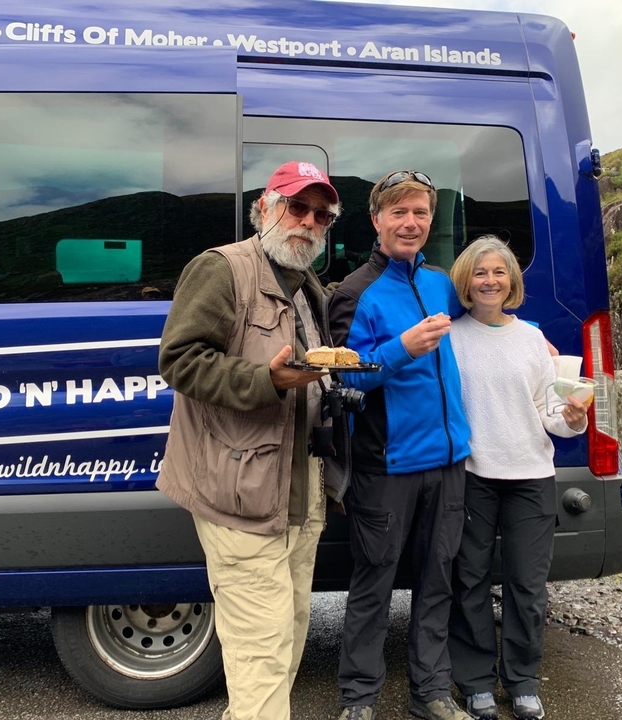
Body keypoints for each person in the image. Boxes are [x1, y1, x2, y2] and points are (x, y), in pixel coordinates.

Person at [155, 161, 346, 720]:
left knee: (286, 636)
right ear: (264, 208)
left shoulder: (308, 286)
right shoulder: (222, 268)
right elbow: (180, 360)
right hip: (239, 492)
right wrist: (267, 380)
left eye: (321, 215)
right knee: (261, 653)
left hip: (299, 494)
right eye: (296, 206)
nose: (308, 221)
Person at [328, 170, 474, 720]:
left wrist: (533, 339)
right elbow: (342, 379)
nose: (410, 223)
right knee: (374, 586)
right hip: (385, 466)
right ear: (377, 220)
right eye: (398, 213)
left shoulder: (441, 283)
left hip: (449, 462)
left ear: (430, 220)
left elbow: (487, 316)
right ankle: (358, 699)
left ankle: (431, 693)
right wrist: (401, 348)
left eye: (420, 213)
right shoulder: (354, 292)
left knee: (438, 582)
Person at [445, 236, 588, 720]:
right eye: (480, 272)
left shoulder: (531, 339)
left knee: (527, 585)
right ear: (466, 281)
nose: (490, 281)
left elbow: (551, 411)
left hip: (530, 475)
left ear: (512, 281)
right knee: (470, 580)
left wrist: (572, 419)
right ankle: (476, 682)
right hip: (473, 475)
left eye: (499, 272)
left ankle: (523, 680)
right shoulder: (451, 337)